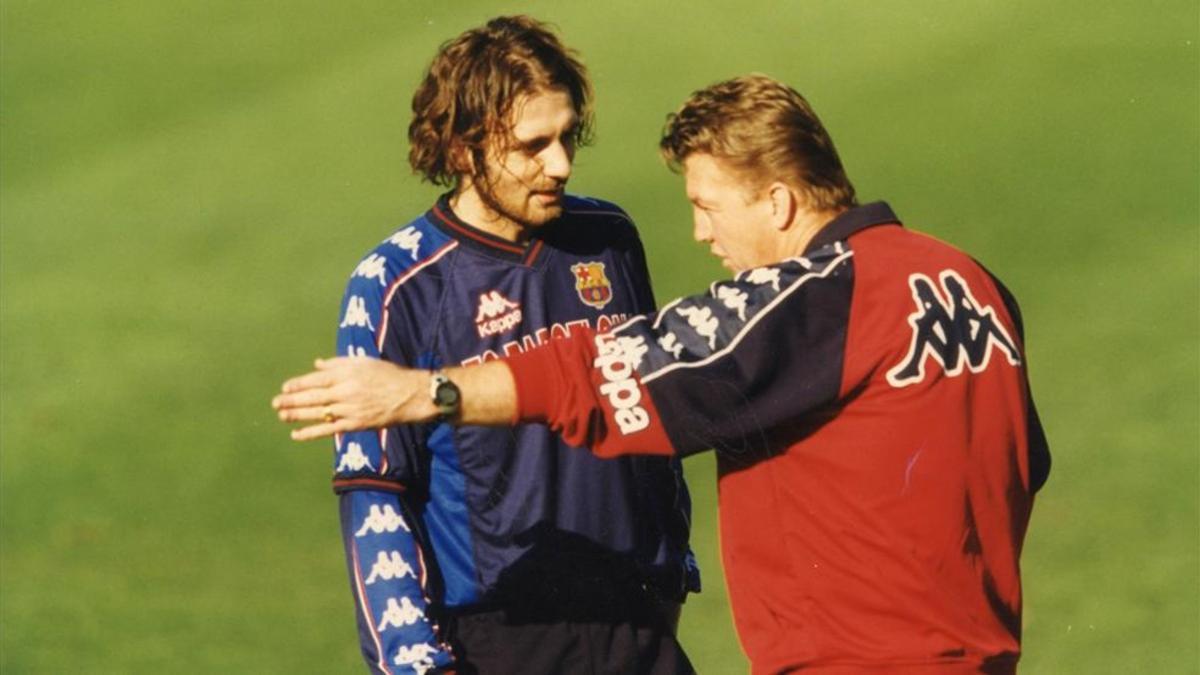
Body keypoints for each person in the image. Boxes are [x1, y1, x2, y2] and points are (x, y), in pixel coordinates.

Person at [276, 74, 1051, 674]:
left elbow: (615, 372)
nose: (699, 233)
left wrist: (429, 390)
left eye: (708, 204)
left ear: (778, 201)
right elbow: (1021, 462)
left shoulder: (817, 295)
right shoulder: (970, 281)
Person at [310, 16, 698, 675]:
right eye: (532, 145)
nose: (561, 165)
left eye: (568, 136)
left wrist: (672, 568)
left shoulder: (608, 238)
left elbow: (653, 418)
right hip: (499, 638)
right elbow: (374, 486)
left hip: (635, 627)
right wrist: (413, 660)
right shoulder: (396, 286)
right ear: (464, 149)